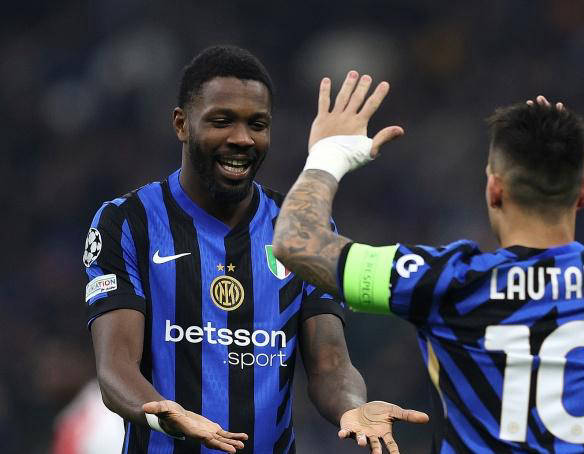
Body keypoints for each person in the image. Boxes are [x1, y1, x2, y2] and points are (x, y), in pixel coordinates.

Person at [272, 71, 584, 452]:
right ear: (582, 193)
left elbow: (295, 243)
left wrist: (329, 155)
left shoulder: (449, 282)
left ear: (495, 190)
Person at [82, 46, 427, 454]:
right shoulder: (127, 222)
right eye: (222, 121)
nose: (242, 138)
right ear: (182, 124)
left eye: (257, 124)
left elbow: (330, 364)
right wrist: (163, 414)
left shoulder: (300, 231)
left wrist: (353, 407)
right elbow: (116, 367)